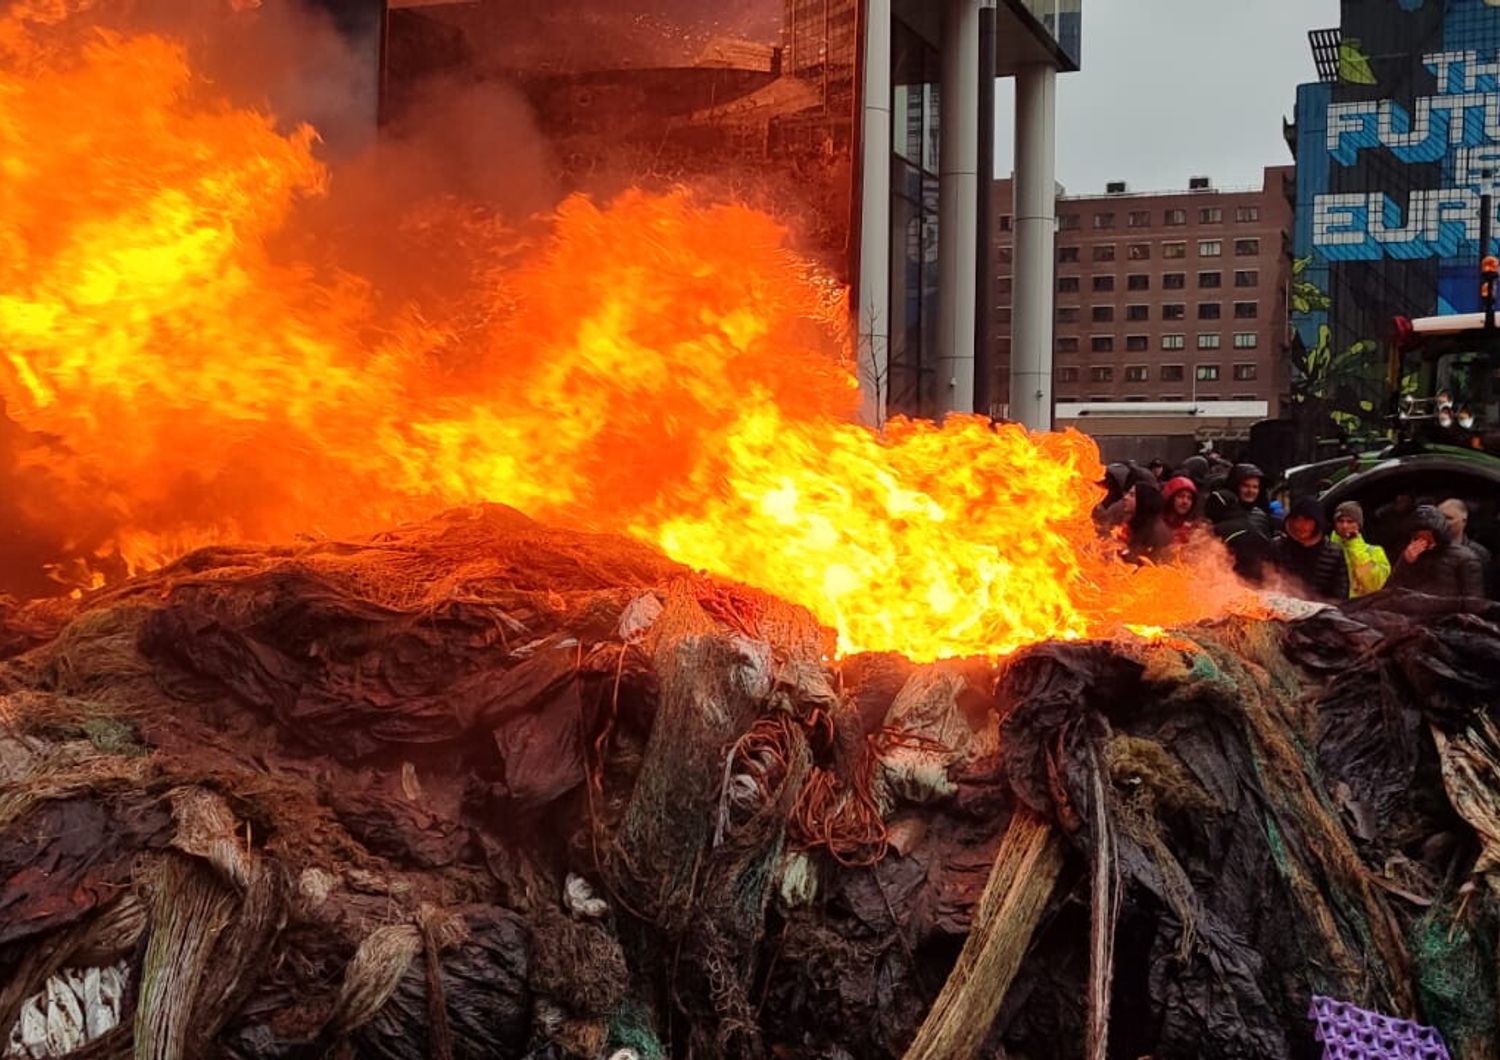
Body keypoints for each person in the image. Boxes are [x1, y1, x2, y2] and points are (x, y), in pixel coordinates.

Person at [1387, 504, 1486, 599]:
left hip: (1449, 613)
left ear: (1439, 536)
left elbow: (1474, 601)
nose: (1423, 542)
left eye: (1428, 537)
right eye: (1418, 537)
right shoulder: (1409, 555)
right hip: (1413, 612)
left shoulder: (1465, 558)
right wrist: (1405, 563)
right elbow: (1392, 592)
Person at [1268, 497, 1349, 602]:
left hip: (1322, 611)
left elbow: (1340, 593)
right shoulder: (1278, 547)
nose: (1301, 526)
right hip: (1284, 608)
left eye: (1307, 520)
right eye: (1297, 520)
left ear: (1317, 522)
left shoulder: (1333, 552)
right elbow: (1267, 582)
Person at [1330, 501, 1390, 597]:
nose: (1345, 526)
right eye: (1340, 521)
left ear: (1358, 525)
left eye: (1350, 521)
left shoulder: (1375, 552)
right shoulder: (1326, 548)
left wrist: (1355, 546)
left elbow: (1373, 587)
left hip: (1360, 608)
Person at [1438, 498, 1494, 596]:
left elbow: (1484, 592)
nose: (1442, 522)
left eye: (1448, 518)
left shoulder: (1479, 553)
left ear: (1463, 521)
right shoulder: (1426, 548)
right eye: (1439, 517)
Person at [1122, 481, 1174, 563]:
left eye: (1132, 495)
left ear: (1143, 500)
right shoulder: (1141, 523)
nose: (1125, 497)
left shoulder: (1154, 531)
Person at [1161, 476, 1200, 547]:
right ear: (1170, 498)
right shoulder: (1157, 526)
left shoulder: (1193, 529)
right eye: (1180, 496)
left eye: (1189, 498)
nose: (1185, 501)